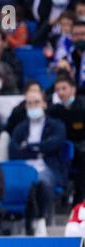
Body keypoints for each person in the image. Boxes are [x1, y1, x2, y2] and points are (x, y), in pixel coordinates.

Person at [10, 90, 67, 234]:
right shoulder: (20, 128)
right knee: (18, 182)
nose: (33, 106)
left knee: (41, 181)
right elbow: (14, 150)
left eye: (36, 102)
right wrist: (39, 148)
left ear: (44, 104)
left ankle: (41, 220)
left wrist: (29, 147)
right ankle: (22, 221)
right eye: (29, 103)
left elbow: (55, 143)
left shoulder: (56, 125)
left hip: (47, 167)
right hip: (24, 167)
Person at [49, 75, 85, 205]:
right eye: (57, 90)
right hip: (61, 148)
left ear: (73, 89)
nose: (61, 92)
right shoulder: (55, 110)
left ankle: (79, 199)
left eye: (64, 88)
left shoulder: (82, 106)